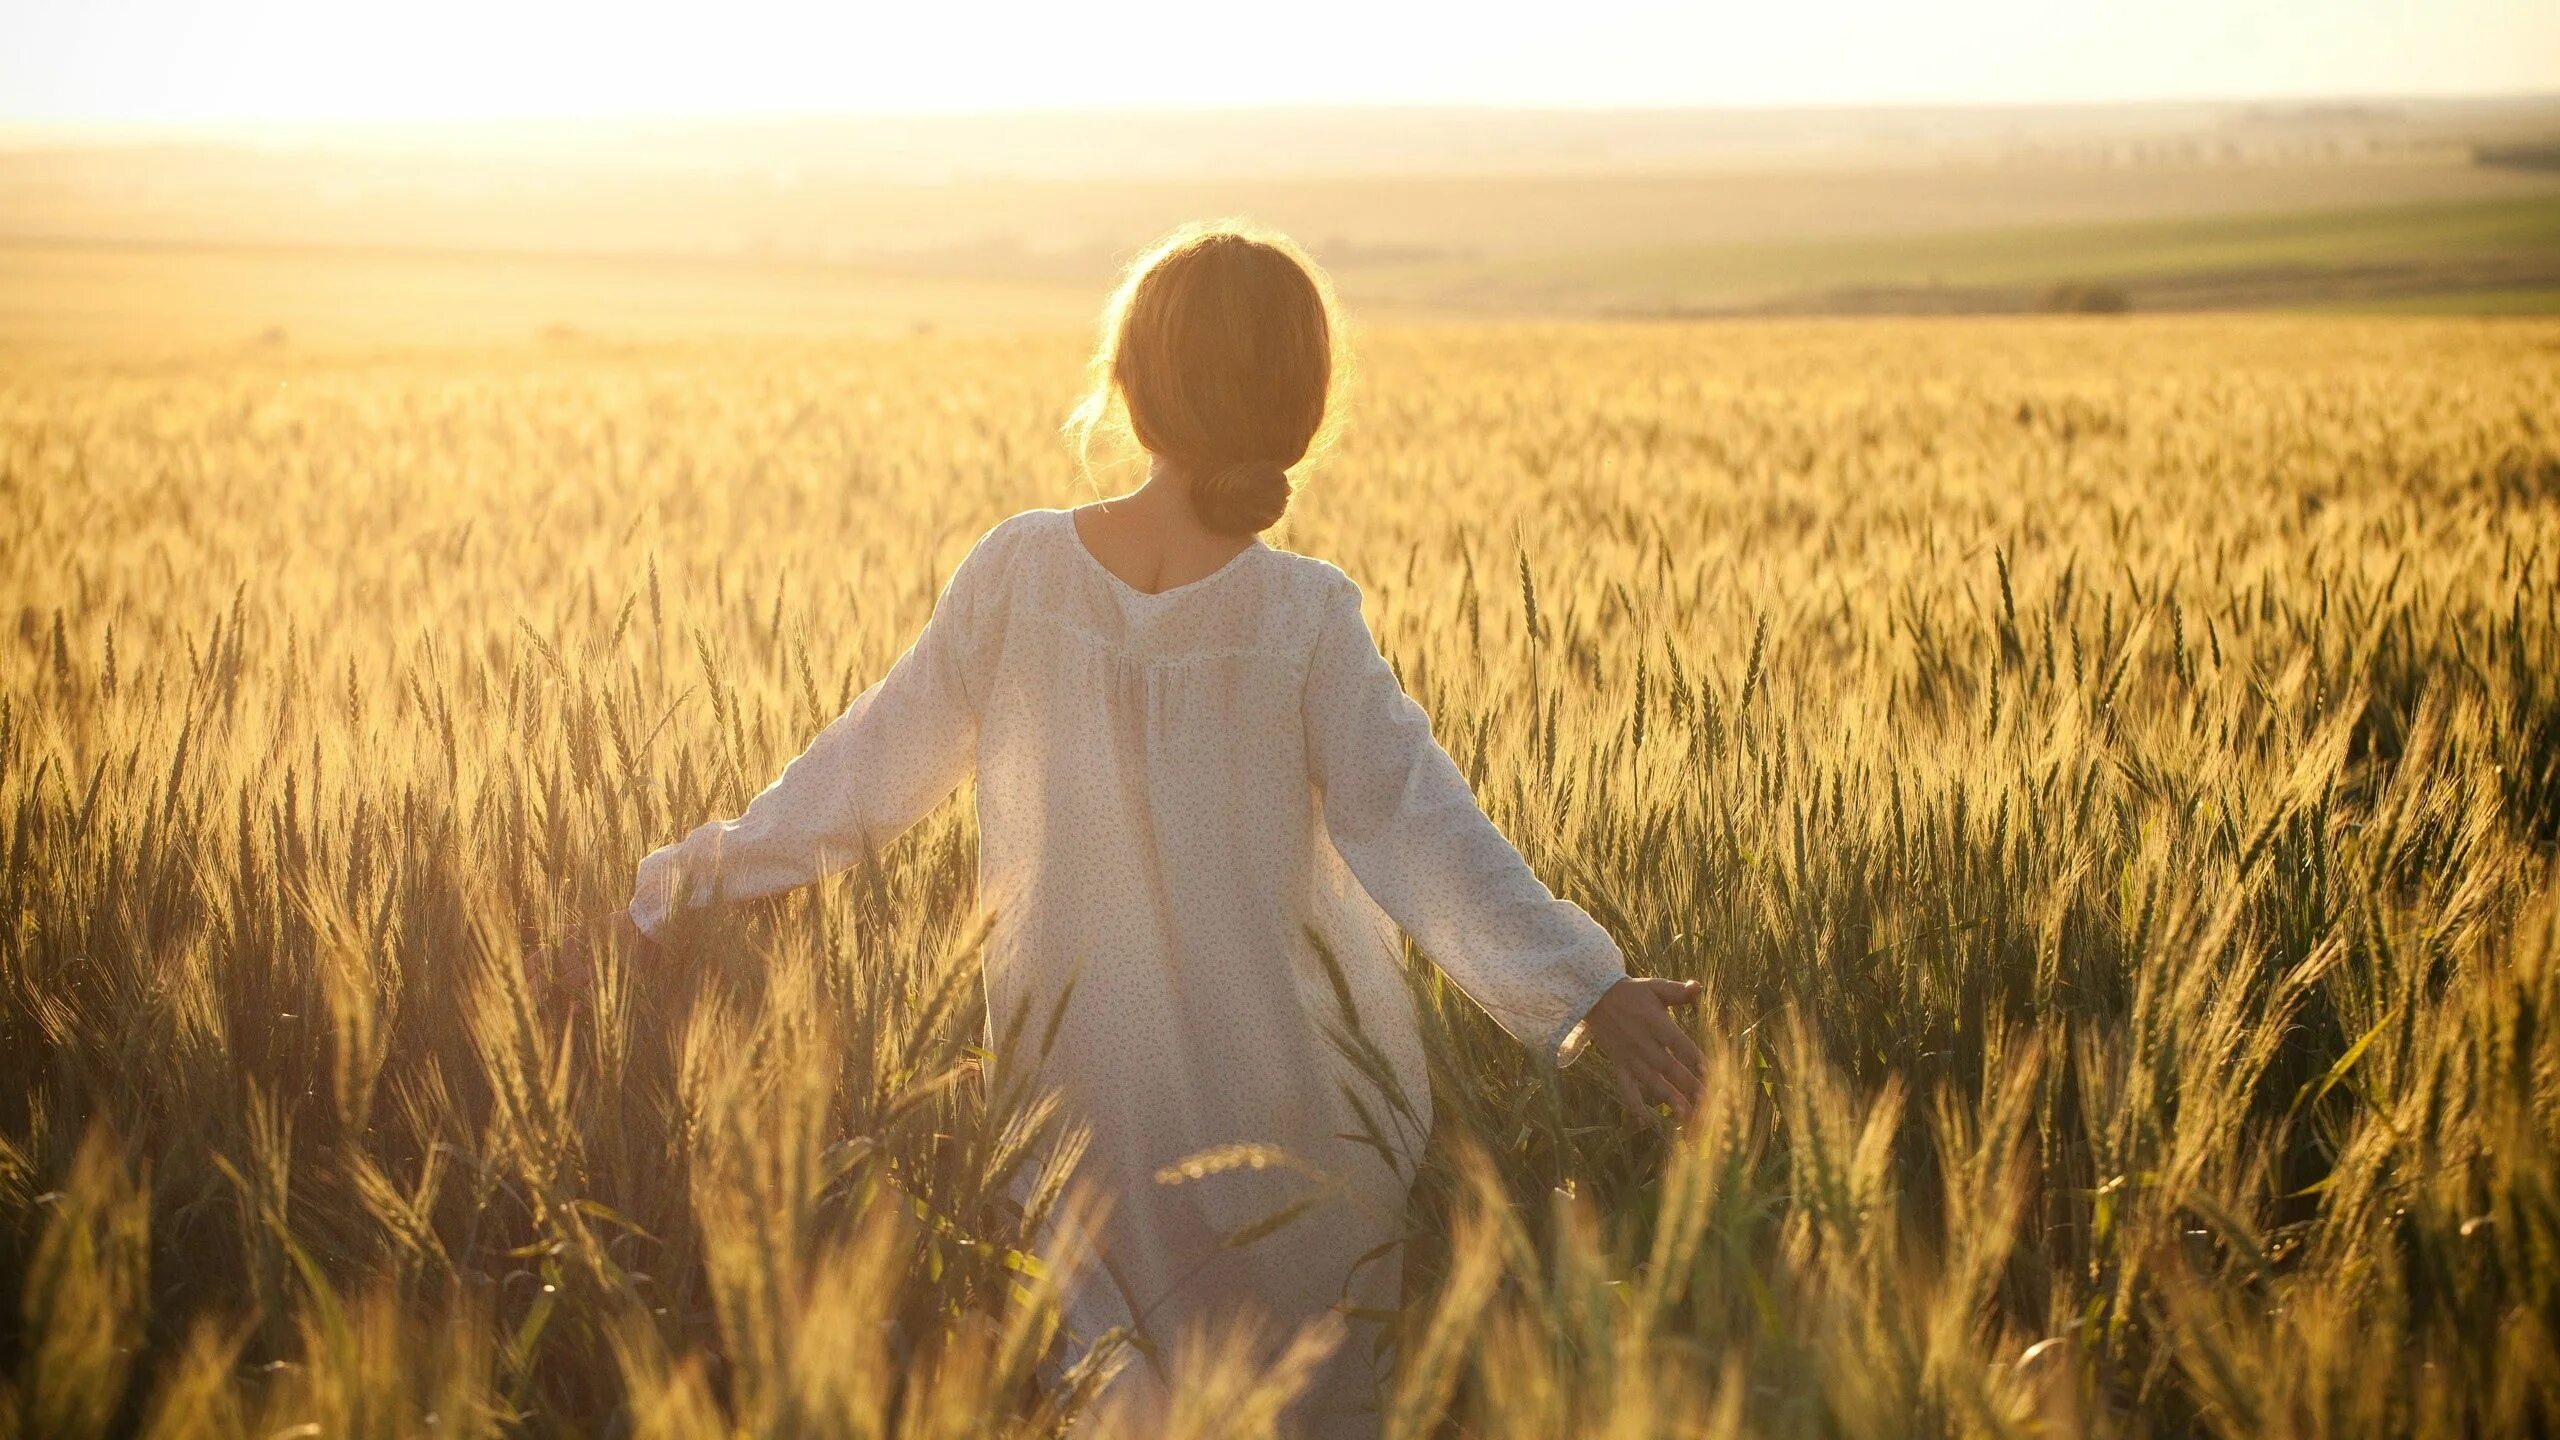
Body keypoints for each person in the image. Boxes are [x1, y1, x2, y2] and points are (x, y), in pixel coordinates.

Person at [562, 220, 1705, 1437]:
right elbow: (1424, 832)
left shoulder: (1021, 575)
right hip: (1297, 1119)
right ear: (1301, 409)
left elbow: (858, 778)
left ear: (1133, 387)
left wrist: (672, 891)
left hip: (1079, 1114)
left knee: (1111, 1406)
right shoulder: (1303, 616)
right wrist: (1586, 990)